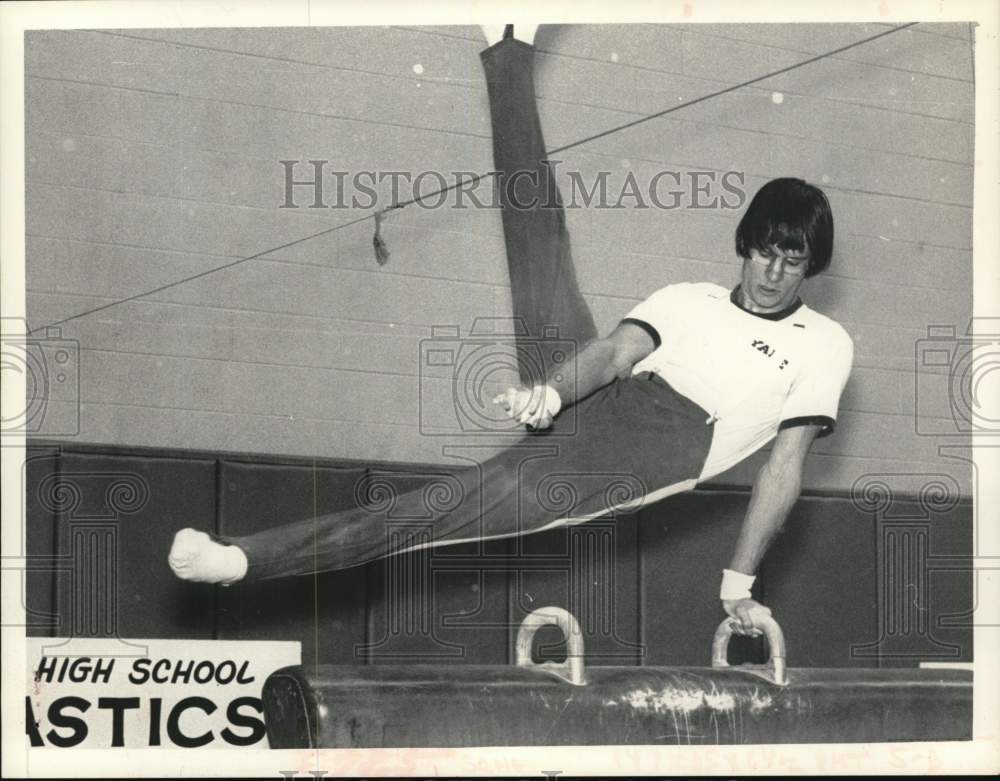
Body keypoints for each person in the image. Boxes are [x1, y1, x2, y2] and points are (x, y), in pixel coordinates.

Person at [169, 24, 853, 638]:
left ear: (809, 268)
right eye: (766, 251)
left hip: (637, 453)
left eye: (793, 261)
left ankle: (243, 559)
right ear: (745, 244)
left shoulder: (823, 344)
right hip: (597, 390)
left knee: (438, 508)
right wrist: (552, 395)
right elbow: (616, 352)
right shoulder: (688, 298)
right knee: (540, 247)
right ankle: (509, 45)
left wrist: (739, 581)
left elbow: (783, 467)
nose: (774, 272)